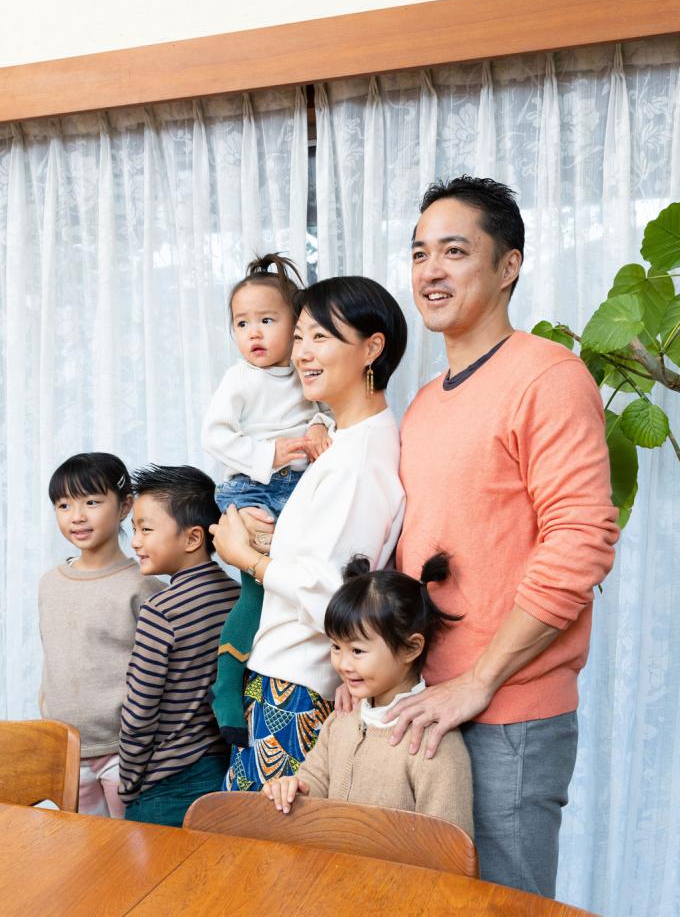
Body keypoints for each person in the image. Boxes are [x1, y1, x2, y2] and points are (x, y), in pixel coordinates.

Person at [385, 175, 619, 897]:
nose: (431, 271)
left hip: (508, 716)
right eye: (421, 253)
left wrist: (480, 682)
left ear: (507, 265)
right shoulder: (424, 403)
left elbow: (580, 541)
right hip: (431, 708)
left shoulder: (547, 377)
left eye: (454, 251)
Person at [210, 275, 408, 792]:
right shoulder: (342, 443)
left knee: (263, 858)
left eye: (320, 337)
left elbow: (332, 599)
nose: (301, 353)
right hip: (287, 678)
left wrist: (245, 557)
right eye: (298, 337)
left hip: (296, 686)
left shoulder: (359, 460)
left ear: (372, 348)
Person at [202, 253, 331, 747]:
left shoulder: (306, 372)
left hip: (297, 490)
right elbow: (215, 437)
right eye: (241, 323)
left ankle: (280, 678)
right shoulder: (239, 379)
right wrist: (266, 452)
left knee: (291, 588)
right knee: (257, 590)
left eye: (266, 320)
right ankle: (227, 688)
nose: (253, 333)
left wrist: (320, 424)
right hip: (251, 488)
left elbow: (332, 412)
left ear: (296, 327)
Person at [264, 554, 473, 835]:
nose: (343, 664)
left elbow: (450, 846)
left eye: (357, 651)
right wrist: (292, 789)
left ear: (411, 648)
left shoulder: (433, 741)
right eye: (336, 647)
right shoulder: (342, 719)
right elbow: (313, 781)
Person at [38, 452, 163, 818]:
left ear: (125, 506)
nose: (77, 516)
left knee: (133, 849)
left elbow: (158, 672)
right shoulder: (50, 582)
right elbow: (53, 654)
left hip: (123, 749)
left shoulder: (144, 586)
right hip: (69, 748)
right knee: (84, 851)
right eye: (64, 505)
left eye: (92, 502)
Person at [118, 464, 240, 827]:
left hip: (164, 784)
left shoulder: (160, 612)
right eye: (134, 529)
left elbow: (139, 713)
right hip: (219, 771)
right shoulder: (237, 597)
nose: (136, 541)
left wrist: (128, 785)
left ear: (192, 539)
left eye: (146, 529)